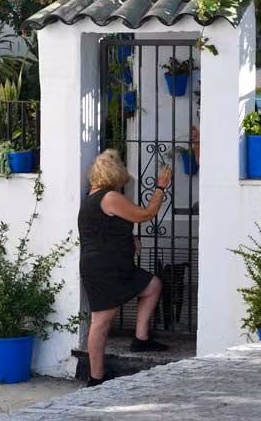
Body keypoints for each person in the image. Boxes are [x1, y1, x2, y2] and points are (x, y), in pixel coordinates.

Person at [79, 149, 173, 387]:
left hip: (112, 265)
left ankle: (141, 338)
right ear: (115, 171)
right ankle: (96, 377)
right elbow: (145, 214)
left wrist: (129, 238)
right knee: (102, 319)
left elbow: (105, 226)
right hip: (105, 267)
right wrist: (161, 187)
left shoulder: (93, 196)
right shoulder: (109, 197)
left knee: (152, 285)